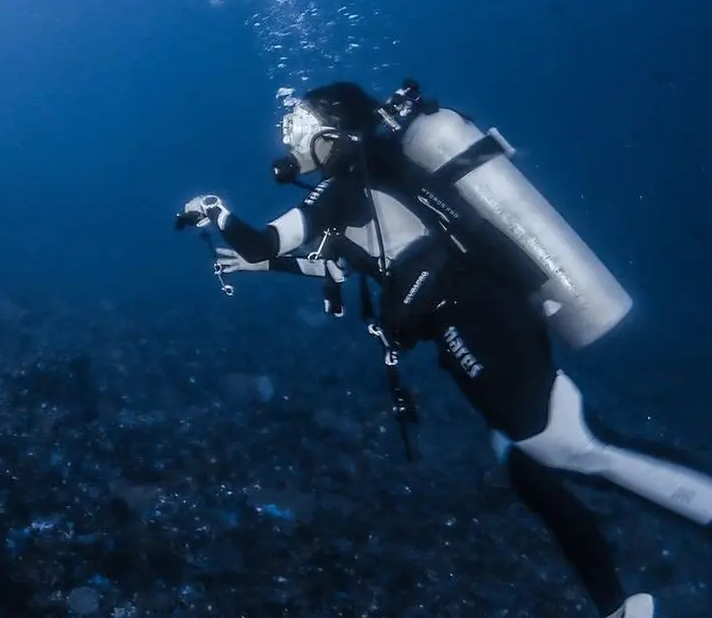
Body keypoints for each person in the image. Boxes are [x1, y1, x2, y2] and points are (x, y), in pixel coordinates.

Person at [176, 79, 712, 618]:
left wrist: (217, 211)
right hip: (475, 317)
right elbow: (338, 261)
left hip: (474, 317)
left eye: (298, 128)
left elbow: (263, 239)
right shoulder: (363, 183)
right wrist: (260, 265)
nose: (288, 140)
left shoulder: (343, 189)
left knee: (571, 445)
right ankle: (617, 605)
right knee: (528, 463)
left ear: (331, 134)